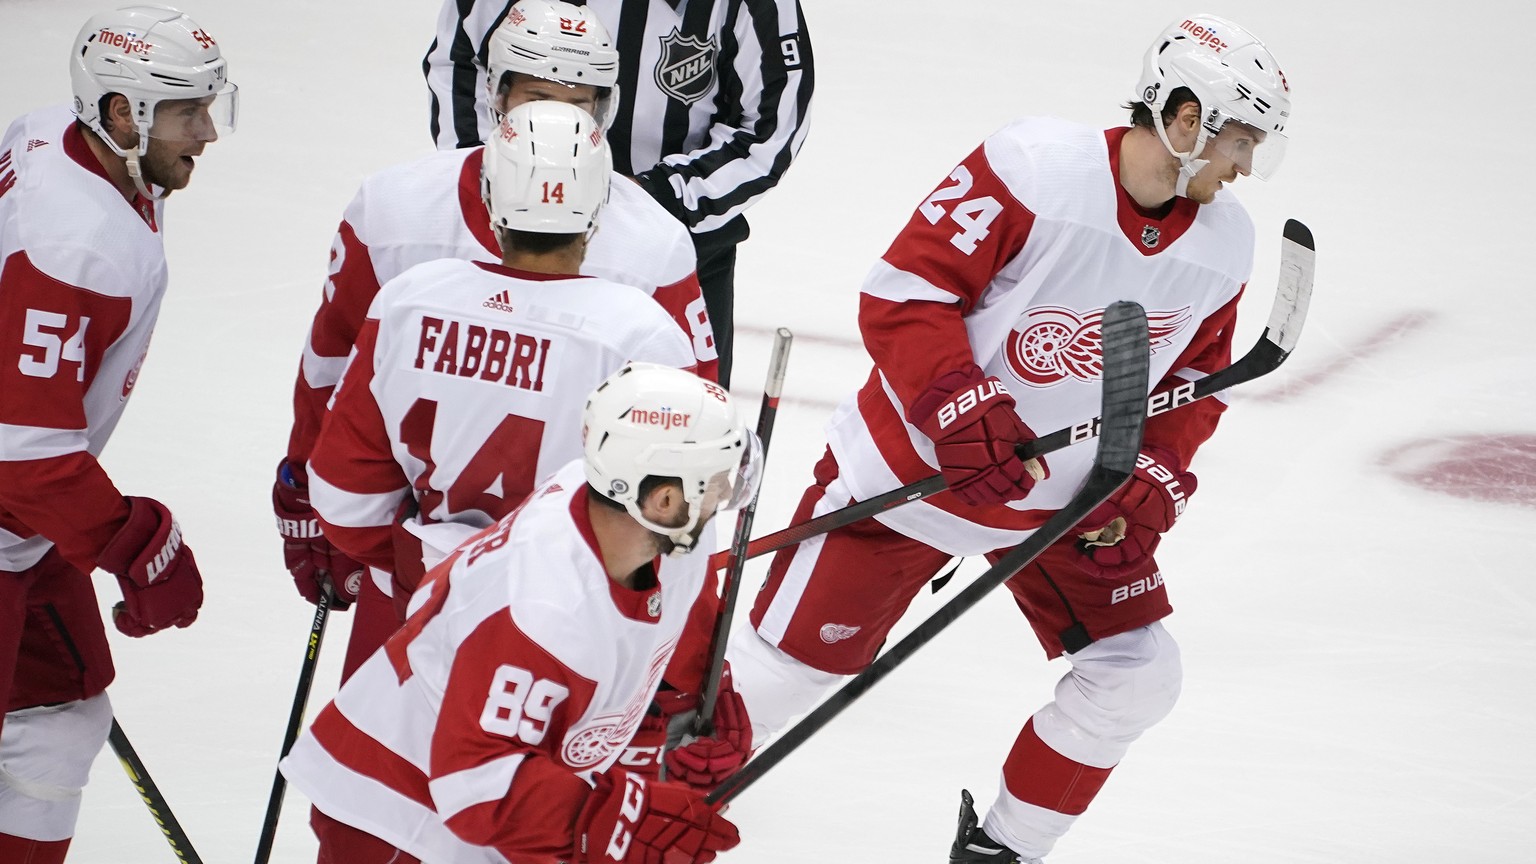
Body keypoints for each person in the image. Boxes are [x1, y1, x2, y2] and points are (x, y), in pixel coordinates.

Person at [671, 14, 1295, 862]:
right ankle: (631, 820)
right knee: (781, 678)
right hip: (907, 482)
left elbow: (1193, 388)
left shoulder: (1225, 247)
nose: (1246, 166)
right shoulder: (1034, 168)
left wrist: (1151, 475)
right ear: (1187, 118)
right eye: (1240, 140)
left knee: (1138, 678)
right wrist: (959, 405)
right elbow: (906, 292)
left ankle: (1001, 854)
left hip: (1066, 509)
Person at [274, 0, 718, 679]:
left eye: (581, 101)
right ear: (495, 91)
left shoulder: (653, 245)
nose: (560, 119)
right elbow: (331, 367)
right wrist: (301, 486)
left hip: (476, 567)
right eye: (538, 97)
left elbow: (684, 448)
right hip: (479, 571)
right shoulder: (394, 210)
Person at [281, 361, 759, 864]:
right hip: (402, 815)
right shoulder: (540, 607)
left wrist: (702, 688)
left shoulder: (626, 507)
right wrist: (603, 819)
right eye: (719, 478)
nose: (729, 492)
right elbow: (477, 786)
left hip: (503, 792)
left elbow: (676, 596)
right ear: (663, 498)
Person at [0, 6, 236, 861]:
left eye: (211, 106)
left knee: (62, 713)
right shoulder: (74, 245)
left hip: (19, 533)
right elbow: (22, 457)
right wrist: (135, 541)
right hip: (15, 508)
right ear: (120, 112)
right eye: (186, 111)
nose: (208, 132)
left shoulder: (51, 138)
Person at [425, 0, 814, 386]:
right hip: (510, 234)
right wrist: (501, 175)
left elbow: (769, 128)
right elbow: (459, 60)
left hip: (677, 249)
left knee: (679, 421)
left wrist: (654, 198)